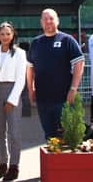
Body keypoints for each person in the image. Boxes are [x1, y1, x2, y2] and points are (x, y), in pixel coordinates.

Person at [27, 8, 84, 139]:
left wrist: (73, 88)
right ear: (41, 22)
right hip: (43, 99)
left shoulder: (67, 40)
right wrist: (31, 89)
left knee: (65, 135)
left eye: (51, 18)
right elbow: (30, 68)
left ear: (57, 21)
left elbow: (79, 63)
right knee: (50, 136)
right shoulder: (36, 43)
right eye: (45, 19)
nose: (48, 22)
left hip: (63, 98)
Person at [0, 22, 27, 181]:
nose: (5, 37)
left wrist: (12, 99)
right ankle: (2, 163)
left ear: (13, 35)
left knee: (14, 132)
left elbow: (21, 78)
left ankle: (14, 166)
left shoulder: (20, 53)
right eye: (2, 34)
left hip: (12, 92)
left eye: (8, 34)